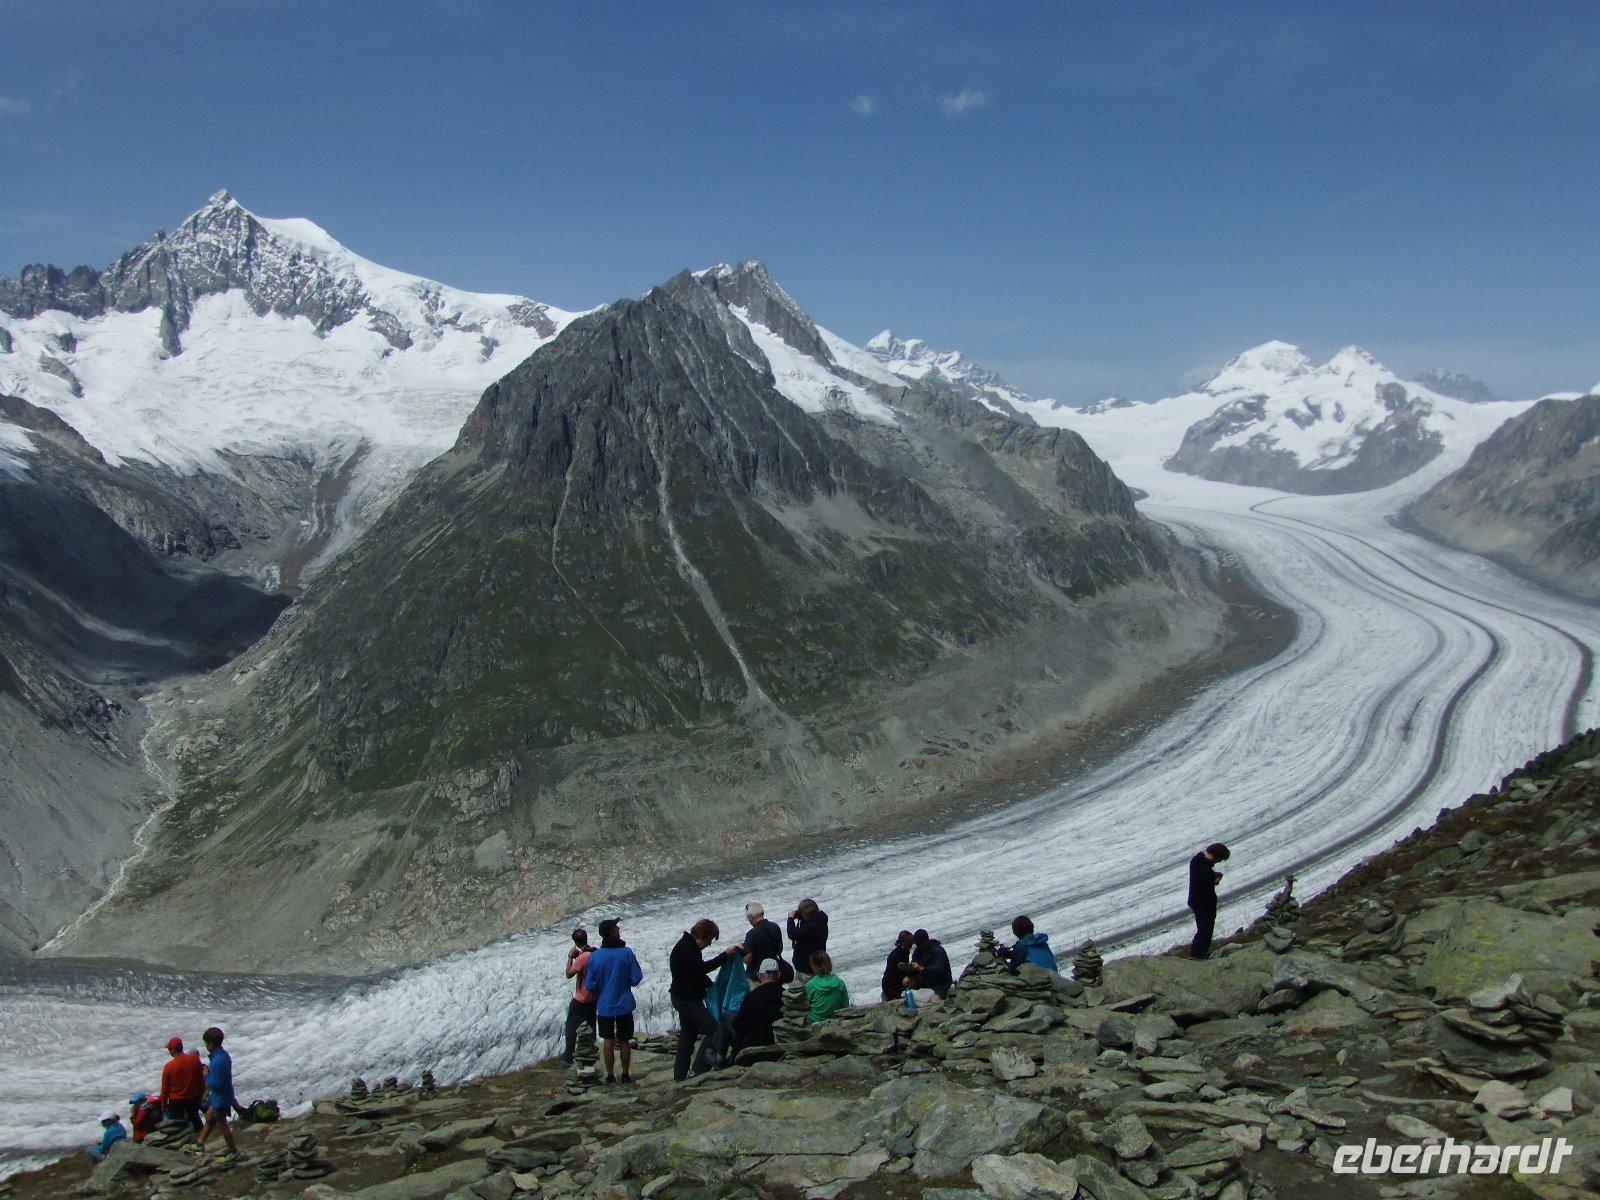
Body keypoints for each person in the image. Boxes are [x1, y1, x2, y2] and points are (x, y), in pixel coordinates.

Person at [669, 918, 738, 1082]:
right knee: (714, 1030)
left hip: (684, 998)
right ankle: (699, 1069)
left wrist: (711, 985)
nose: (709, 944)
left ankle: (680, 1076)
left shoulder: (688, 946)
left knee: (687, 1036)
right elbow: (701, 969)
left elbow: (694, 973)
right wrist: (725, 956)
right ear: (703, 936)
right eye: (710, 940)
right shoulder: (687, 948)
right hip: (687, 1000)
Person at [583, 917, 644, 1085]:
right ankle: (625, 1074)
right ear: (612, 931)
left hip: (605, 1005)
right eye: (617, 927)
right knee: (624, 1040)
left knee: (608, 1040)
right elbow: (636, 978)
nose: (619, 929)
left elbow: (591, 984)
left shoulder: (595, 957)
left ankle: (610, 1075)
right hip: (624, 1004)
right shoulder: (626, 953)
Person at [189, 1027, 238, 1161]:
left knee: (222, 1124)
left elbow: (215, 1084)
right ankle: (200, 1143)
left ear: (211, 1043)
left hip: (220, 1098)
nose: (206, 1046)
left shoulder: (217, 1062)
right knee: (209, 1118)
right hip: (222, 1095)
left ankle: (233, 1151)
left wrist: (206, 1075)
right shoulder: (223, 1056)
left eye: (206, 1043)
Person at [729, 958, 784, 1061]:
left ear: (759, 975)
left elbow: (739, 1025)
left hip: (755, 1047)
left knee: (727, 1018)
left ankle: (721, 1058)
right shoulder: (787, 995)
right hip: (781, 1047)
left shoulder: (752, 997)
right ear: (779, 975)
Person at [561, 928, 598, 1066]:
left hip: (582, 998)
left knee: (571, 1026)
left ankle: (568, 1057)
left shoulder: (582, 957)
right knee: (591, 1026)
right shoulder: (595, 952)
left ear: (575, 942)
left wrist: (571, 957)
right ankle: (591, 1053)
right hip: (594, 998)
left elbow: (569, 974)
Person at [1188, 842, 1230, 959]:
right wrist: (1215, 881)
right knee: (1205, 929)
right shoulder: (1204, 866)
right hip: (1203, 902)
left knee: (1204, 928)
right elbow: (1204, 883)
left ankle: (1199, 953)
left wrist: (1213, 876)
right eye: (1220, 859)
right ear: (1217, 856)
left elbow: (1201, 878)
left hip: (1197, 901)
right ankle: (1198, 954)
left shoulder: (1197, 861)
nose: (1219, 862)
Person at [159, 1036, 205, 1132]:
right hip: (192, 1098)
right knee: (196, 1121)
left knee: (176, 1126)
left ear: (174, 1049)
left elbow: (165, 1089)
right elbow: (200, 1080)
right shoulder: (194, 1060)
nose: (169, 1051)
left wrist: (163, 1104)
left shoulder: (169, 1067)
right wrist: (200, 1095)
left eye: (169, 1049)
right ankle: (202, 1138)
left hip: (176, 1101)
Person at [902, 929, 953, 998]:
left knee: (934, 1000)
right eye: (917, 944)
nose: (918, 947)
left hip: (941, 983)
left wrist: (922, 969)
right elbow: (915, 966)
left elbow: (939, 970)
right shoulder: (917, 951)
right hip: (925, 980)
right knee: (906, 981)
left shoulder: (938, 950)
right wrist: (910, 969)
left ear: (927, 941)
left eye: (920, 944)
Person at [786, 899, 828, 981]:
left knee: (805, 992)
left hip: (807, 970)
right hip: (816, 964)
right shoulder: (819, 920)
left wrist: (790, 919)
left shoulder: (812, 926)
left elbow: (792, 934)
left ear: (806, 915)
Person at [804, 951, 850, 1024]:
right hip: (835, 1019)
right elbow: (845, 1006)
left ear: (815, 967)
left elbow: (806, 1005)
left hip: (815, 1020)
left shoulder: (811, 984)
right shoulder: (840, 983)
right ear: (830, 965)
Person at [741, 902, 784, 981]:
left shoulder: (751, 934)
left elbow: (747, 960)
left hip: (757, 976)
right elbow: (780, 949)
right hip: (774, 973)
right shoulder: (775, 926)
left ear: (750, 917)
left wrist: (740, 949)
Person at [881, 930, 914, 1002]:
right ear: (904, 943)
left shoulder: (905, 951)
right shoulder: (897, 955)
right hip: (890, 986)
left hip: (895, 982)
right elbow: (895, 975)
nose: (911, 946)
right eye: (910, 943)